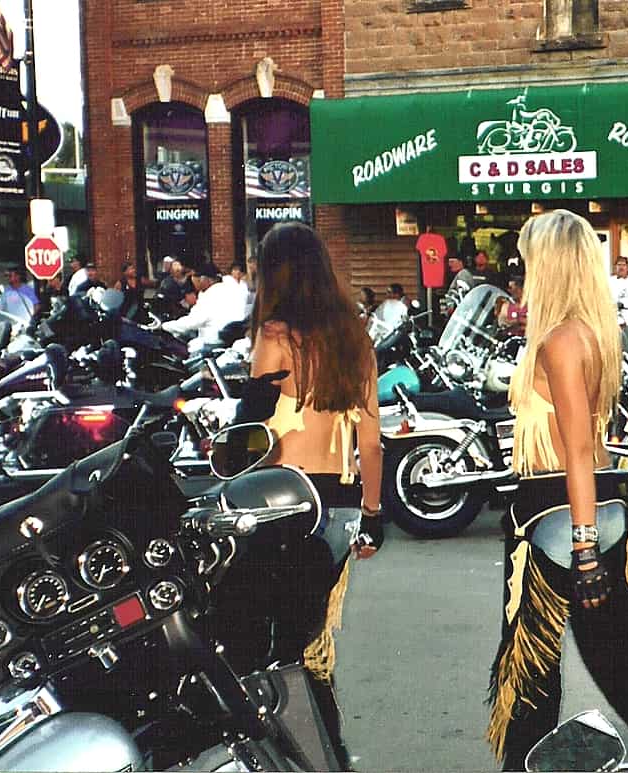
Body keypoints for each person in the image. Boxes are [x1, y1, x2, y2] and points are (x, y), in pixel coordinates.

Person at [487, 210, 628, 771]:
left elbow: (578, 448)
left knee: (530, 675)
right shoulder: (590, 333)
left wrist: (583, 549)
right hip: (594, 510)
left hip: (553, 518)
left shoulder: (560, 340)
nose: (522, 269)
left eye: (528, 259)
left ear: (549, 265)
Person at [233, 221, 382, 771]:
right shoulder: (355, 338)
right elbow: (371, 440)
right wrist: (373, 514)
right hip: (341, 505)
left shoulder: (274, 338)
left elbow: (251, 436)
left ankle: (317, 756)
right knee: (310, 642)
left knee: (278, 648)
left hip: (285, 503)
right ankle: (326, 753)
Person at [161, 263, 242, 343]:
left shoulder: (211, 295)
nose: (192, 280)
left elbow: (192, 322)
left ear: (204, 279)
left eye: (193, 277)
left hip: (213, 340)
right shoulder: (232, 287)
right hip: (231, 336)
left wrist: (164, 326)